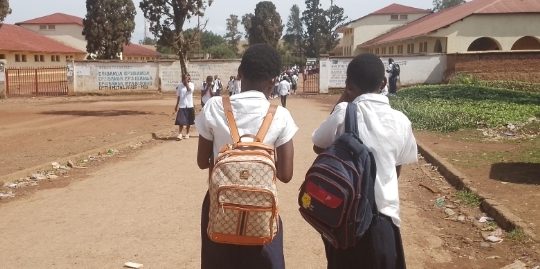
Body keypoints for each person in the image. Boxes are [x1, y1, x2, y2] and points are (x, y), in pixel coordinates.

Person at [195, 43, 298, 269]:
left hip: (219, 205)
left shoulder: (214, 106)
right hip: (260, 211)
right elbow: (286, 174)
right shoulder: (280, 115)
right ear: (274, 79)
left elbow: (202, 162)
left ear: (240, 73)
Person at [312, 53, 418, 269]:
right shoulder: (401, 121)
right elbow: (396, 170)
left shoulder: (343, 113)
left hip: (344, 219)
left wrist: (345, 97)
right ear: (384, 83)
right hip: (383, 222)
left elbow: (318, 144)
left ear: (349, 85)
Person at [174, 73, 195, 140]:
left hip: (189, 105)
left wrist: (186, 84)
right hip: (182, 105)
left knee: (188, 121)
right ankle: (180, 134)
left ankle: (187, 133)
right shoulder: (180, 85)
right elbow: (178, 96)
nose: (187, 79)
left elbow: (189, 90)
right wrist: (176, 105)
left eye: (188, 77)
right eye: (186, 77)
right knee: (181, 121)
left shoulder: (191, 84)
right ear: (183, 78)